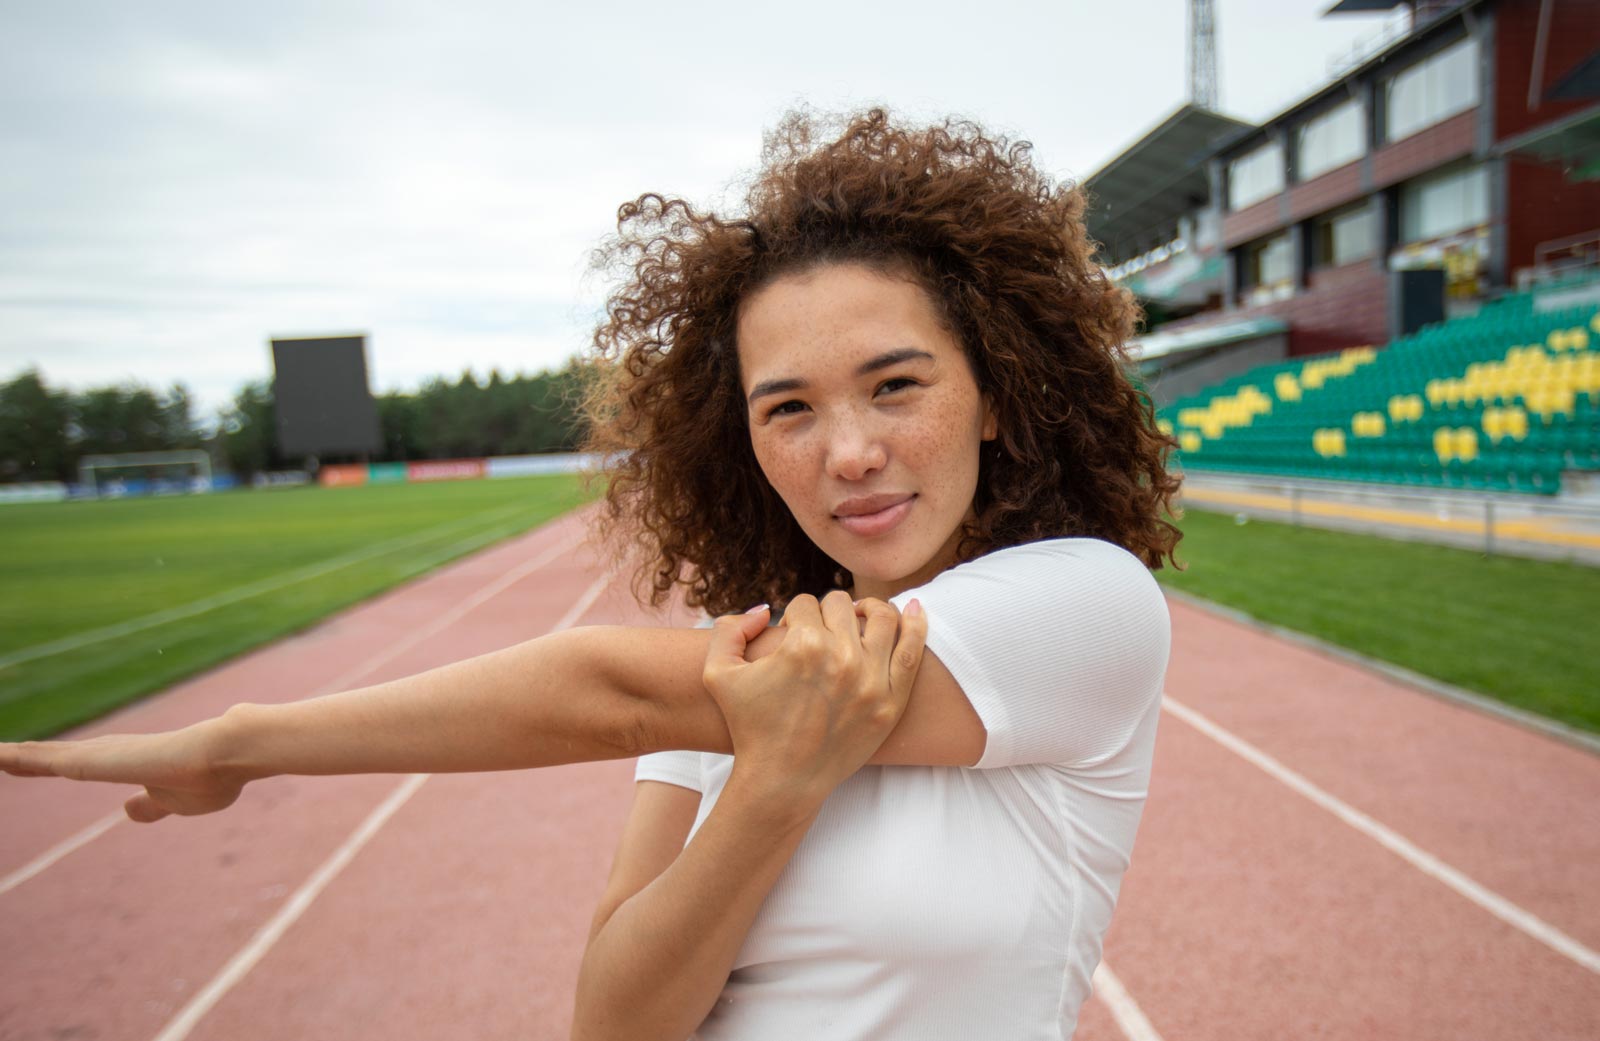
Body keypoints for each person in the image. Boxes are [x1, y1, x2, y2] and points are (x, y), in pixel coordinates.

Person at [0, 108, 1182, 1040]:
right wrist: (769, 791)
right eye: (789, 409)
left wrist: (237, 741)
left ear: (995, 398)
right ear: (746, 444)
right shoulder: (735, 662)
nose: (850, 452)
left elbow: (602, 689)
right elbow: (616, 1025)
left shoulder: (1087, 606)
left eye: (896, 385)